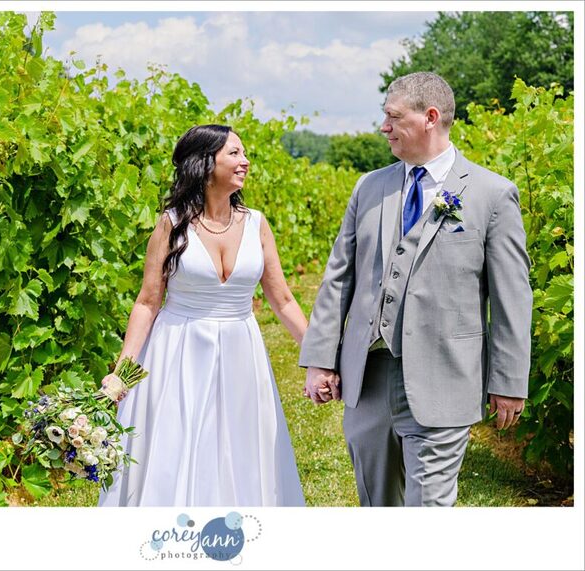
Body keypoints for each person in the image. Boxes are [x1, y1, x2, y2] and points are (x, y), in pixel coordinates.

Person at [299, 72, 532, 507]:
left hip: (445, 377)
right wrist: (319, 361)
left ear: (429, 117)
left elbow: (512, 298)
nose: (383, 127)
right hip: (367, 380)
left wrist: (509, 379)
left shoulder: (492, 194)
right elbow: (338, 278)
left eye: (392, 117)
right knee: (378, 505)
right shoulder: (369, 187)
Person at [98, 124, 307, 506]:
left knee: (240, 447)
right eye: (234, 153)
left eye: (244, 153)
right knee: (176, 447)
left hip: (242, 353)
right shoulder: (171, 223)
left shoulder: (257, 224)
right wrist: (121, 373)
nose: (245, 161)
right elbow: (148, 301)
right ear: (205, 163)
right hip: (179, 352)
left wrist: (318, 355)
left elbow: (283, 301)